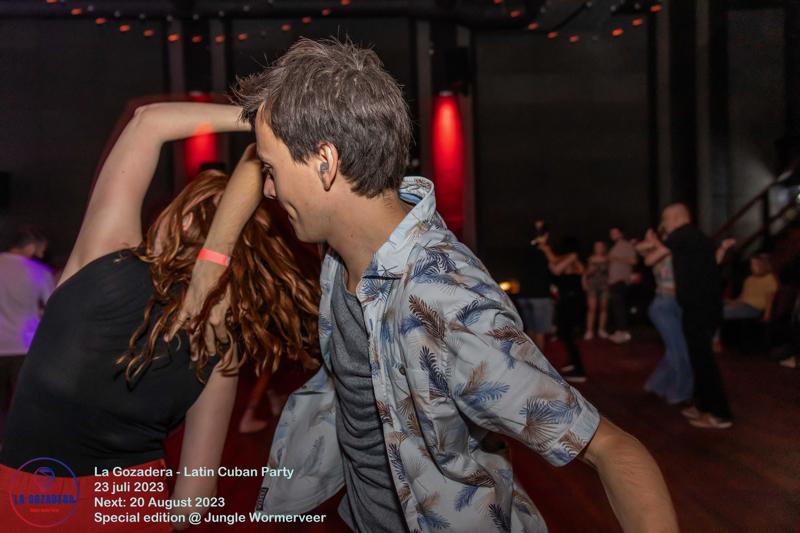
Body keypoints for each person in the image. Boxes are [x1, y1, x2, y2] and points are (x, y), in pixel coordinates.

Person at [175, 38, 678, 532]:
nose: (266, 187)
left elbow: (614, 449)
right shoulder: (345, 239)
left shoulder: (445, 303)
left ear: (325, 163)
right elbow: (255, 156)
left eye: (273, 171)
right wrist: (210, 264)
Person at [0, 100, 320, 531]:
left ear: (182, 219)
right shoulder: (219, 346)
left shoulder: (104, 260)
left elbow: (147, 122)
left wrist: (260, 117)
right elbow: (193, 503)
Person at [650, 203, 733, 429]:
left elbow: (652, 258)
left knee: (704, 361)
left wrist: (654, 243)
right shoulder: (701, 238)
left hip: (699, 309)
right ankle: (703, 405)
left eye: (666, 219)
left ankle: (720, 414)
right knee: (698, 359)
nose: (664, 224)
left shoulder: (681, 235)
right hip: (704, 308)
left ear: (677, 218)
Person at [0, 226, 54, 442]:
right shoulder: (38, 270)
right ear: (31, 246)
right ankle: (17, 447)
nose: (41, 254)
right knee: (22, 405)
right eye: (40, 249)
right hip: (25, 346)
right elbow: (52, 307)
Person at [636, 229, 693, 405]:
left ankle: (656, 384)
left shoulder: (675, 250)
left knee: (675, 349)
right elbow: (639, 248)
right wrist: (654, 241)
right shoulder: (655, 252)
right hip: (663, 303)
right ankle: (679, 392)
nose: (649, 238)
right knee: (679, 351)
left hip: (679, 303)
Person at [540, 237, 588, 383]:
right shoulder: (570, 260)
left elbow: (556, 269)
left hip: (573, 302)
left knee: (569, 335)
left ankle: (580, 371)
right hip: (568, 301)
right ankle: (573, 363)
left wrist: (547, 251)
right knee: (565, 334)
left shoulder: (573, 258)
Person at [516, 220, 554, 349]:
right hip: (540, 295)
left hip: (524, 294)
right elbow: (555, 265)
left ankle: (530, 358)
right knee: (540, 331)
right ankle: (539, 360)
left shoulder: (524, 247)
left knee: (530, 330)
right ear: (546, 235)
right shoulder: (544, 249)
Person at [607, 226, 637, 344]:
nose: (612, 235)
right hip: (614, 281)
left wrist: (616, 258)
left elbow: (634, 261)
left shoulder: (626, 245)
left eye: (615, 233)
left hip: (621, 281)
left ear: (621, 234)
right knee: (617, 307)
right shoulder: (615, 246)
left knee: (619, 308)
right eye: (611, 233)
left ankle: (624, 333)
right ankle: (620, 331)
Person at [583, 240, 610, 340]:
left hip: (605, 285)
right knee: (592, 308)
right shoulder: (590, 259)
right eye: (596, 246)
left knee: (604, 307)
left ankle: (601, 330)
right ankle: (589, 331)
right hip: (592, 285)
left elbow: (612, 271)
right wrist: (584, 282)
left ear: (603, 247)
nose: (598, 248)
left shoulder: (608, 258)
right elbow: (585, 273)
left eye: (600, 246)